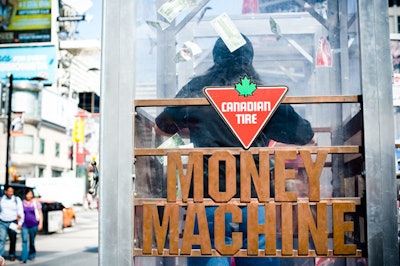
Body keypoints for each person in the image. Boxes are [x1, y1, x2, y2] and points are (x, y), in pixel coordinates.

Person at [154, 34, 315, 266]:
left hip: (206, 199)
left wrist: (196, 130)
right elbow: (306, 137)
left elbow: (161, 128)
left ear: (216, 59)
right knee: (259, 257)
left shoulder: (197, 89)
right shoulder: (263, 96)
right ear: (249, 60)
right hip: (254, 199)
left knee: (207, 255)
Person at [0, 185, 24, 262]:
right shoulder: (1, 199)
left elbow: (20, 211)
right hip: (2, 222)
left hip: (13, 222)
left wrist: (20, 223)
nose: (11, 193)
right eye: (9, 191)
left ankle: (12, 254)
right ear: (5, 191)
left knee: (13, 239)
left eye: (12, 191)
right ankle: (0, 256)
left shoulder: (16, 199)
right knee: (2, 239)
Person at [21, 189, 42, 263]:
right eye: (28, 194)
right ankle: (24, 258)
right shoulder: (22, 203)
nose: (29, 195)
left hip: (34, 224)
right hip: (24, 225)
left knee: (32, 241)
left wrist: (40, 223)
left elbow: (40, 213)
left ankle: (32, 254)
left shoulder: (36, 203)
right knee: (24, 240)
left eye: (30, 194)